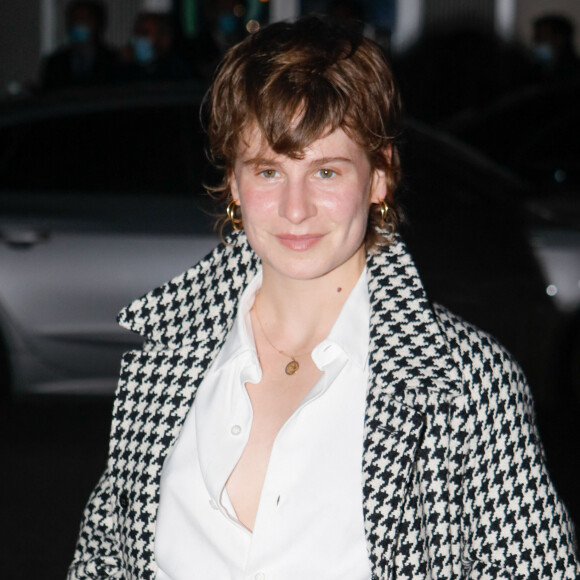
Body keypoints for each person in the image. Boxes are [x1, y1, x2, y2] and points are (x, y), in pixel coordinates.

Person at [68, 16, 579, 579]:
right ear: (235, 184)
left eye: (326, 172)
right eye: (268, 171)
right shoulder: (165, 360)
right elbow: (102, 564)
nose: (294, 208)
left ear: (379, 176)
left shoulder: (467, 383)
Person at [41, 0, 118, 91]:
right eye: (75, 19)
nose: (78, 24)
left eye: (84, 19)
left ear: (97, 24)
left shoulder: (113, 60)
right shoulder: (55, 63)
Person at [117, 11, 192, 83]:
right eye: (137, 32)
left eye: (145, 33)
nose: (139, 38)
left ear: (163, 38)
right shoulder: (128, 70)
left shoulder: (176, 70)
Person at [532, 13, 580, 83]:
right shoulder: (539, 69)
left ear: (559, 38)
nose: (536, 42)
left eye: (541, 37)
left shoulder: (574, 73)